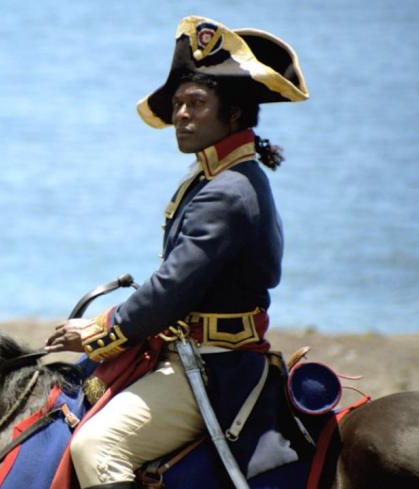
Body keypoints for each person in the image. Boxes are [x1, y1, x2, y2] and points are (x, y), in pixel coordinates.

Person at [45, 16, 309, 489]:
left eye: (197, 104)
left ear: (233, 114)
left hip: (213, 367)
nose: (182, 115)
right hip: (186, 350)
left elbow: (174, 286)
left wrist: (99, 330)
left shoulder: (228, 190)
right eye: (178, 104)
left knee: (97, 447)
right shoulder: (217, 177)